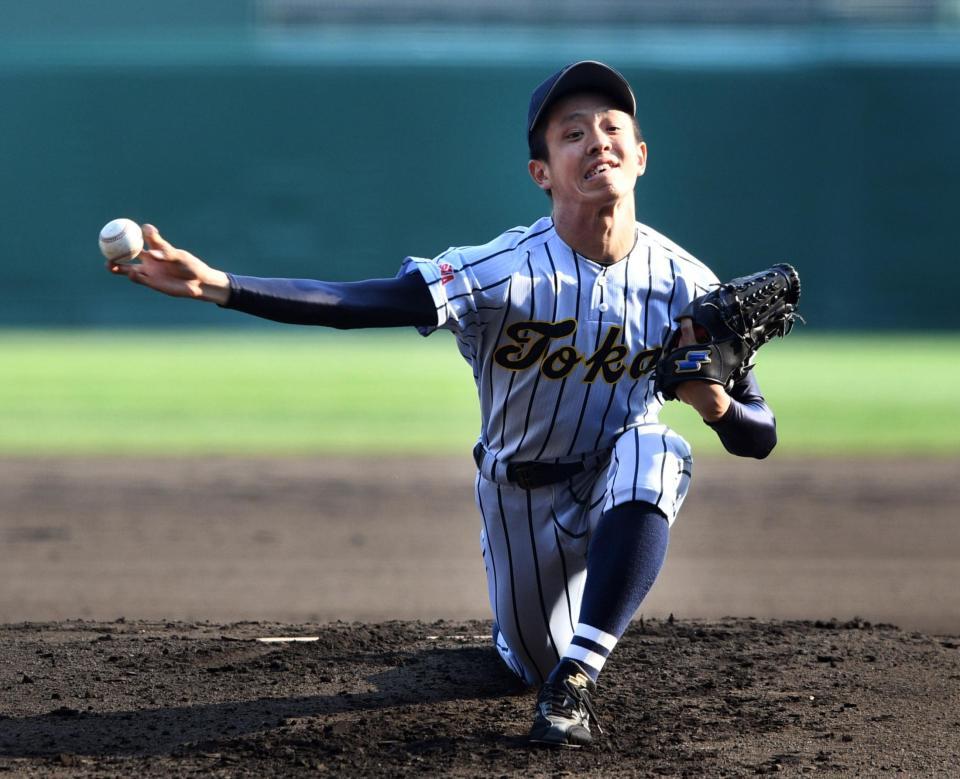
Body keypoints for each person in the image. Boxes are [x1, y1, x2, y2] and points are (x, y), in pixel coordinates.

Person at [107, 60, 777, 748]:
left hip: (618, 486)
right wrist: (219, 284)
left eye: (612, 128)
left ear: (639, 156)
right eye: (572, 133)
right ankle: (551, 658)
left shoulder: (689, 287)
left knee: (657, 447)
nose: (597, 140)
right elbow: (357, 304)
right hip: (519, 498)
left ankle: (577, 674)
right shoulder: (503, 270)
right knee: (527, 661)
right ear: (541, 172)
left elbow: (761, 435)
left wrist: (718, 406)